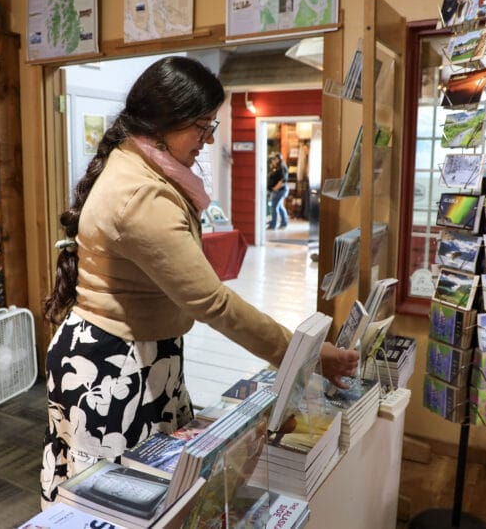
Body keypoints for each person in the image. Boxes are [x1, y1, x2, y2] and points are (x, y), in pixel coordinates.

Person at [39, 56, 359, 507]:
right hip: (113, 365)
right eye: (202, 127)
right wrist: (303, 355)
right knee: (120, 503)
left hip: (139, 351)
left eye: (212, 126)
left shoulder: (142, 165)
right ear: (163, 123)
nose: (208, 141)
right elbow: (213, 302)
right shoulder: (142, 194)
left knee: (154, 492)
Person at [267, 153, 289, 229]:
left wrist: (275, 188)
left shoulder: (282, 168)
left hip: (280, 190)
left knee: (274, 207)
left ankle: (273, 225)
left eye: (275, 159)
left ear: (279, 159)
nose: (273, 161)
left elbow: (283, 180)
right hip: (278, 190)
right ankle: (284, 223)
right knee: (279, 207)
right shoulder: (277, 168)